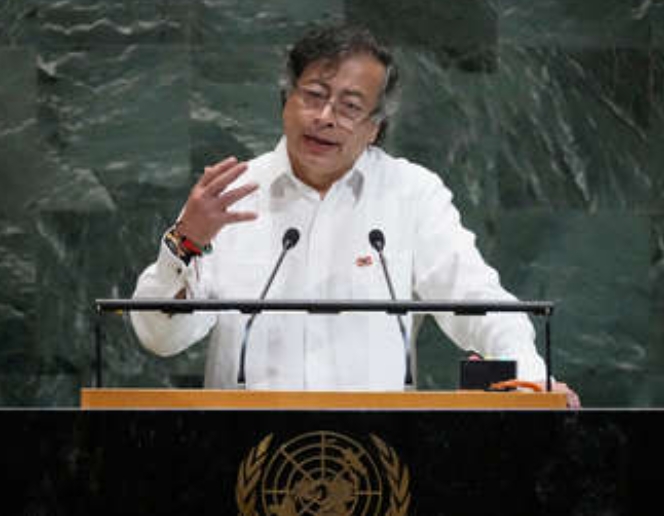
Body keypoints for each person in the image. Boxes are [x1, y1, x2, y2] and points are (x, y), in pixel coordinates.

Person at [131, 23, 580, 407]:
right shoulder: (229, 195)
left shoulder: (411, 194)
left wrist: (529, 380)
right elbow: (160, 337)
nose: (325, 117)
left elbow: (478, 301)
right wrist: (186, 243)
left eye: (349, 107)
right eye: (313, 95)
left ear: (374, 128)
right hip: (250, 457)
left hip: (376, 459)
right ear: (286, 100)